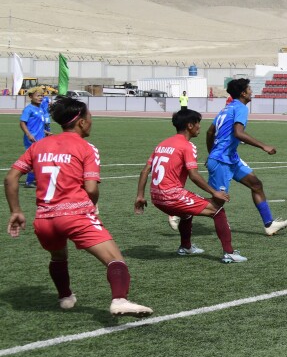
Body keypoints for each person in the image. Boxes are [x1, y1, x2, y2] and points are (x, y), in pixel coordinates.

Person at [5, 97, 152, 315]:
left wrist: (16, 211)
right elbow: (91, 189)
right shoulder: (86, 147)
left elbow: (10, 178)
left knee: (58, 257)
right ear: (81, 122)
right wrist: (88, 209)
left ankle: (65, 296)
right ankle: (120, 299)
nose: (92, 120)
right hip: (75, 214)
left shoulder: (39, 145)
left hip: (44, 220)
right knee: (115, 260)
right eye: (90, 116)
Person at [135, 108, 242, 262]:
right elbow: (194, 175)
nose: (200, 126)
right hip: (171, 196)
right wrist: (215, 192)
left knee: (186, 212)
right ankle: (229, 253)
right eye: (198, 123)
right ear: (190, 125)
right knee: (217, 209)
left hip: (156, 198)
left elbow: (145, 171)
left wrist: (140, 196)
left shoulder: (162, 144)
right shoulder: (187, 146)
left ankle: (186, 247)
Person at [206, 78, 287, 236]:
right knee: (217, 202)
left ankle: (269, 224)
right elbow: (238, 133)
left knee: (256, 185)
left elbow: (210, 132)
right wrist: (263, 146)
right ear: (243, 93)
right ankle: (179, 209)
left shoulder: (226, 108)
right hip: (221, 160)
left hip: (231, 158)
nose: (252, 91)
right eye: (249, 89)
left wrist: (211, 152)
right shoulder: (241, 108)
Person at [18, 90, 48, 188]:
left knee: (39, 159)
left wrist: (46, 133)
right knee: (34, 159)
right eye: (38, 96)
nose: (40, 97)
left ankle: (35, 179)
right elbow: (22, 123)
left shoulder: (40, 109)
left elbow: (38, 125)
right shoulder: (28, 109)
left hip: (41, 138)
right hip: (32, 139)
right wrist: (28, 134)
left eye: (42, 96)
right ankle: (29, 181)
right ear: (31, 96)